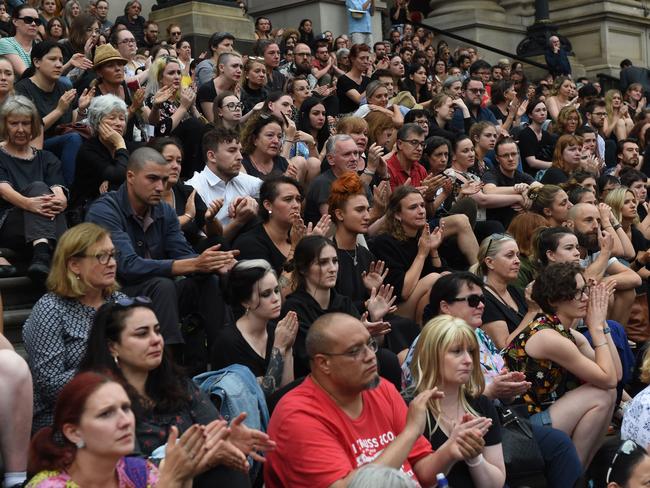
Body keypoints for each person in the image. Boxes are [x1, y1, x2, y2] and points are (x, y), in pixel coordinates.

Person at [79, 299, 271, 487]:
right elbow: (129, 474)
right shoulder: (102, 400)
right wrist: (206, 457)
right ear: (113, 346)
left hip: (196, 478)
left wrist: (229, 439)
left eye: (157, 331)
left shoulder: (178, 384)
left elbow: (215, 435)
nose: (155, 340)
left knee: (229, 464)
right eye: (142, 334)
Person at [265, 312, 470, 487]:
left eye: (370, 344)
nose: (371, 356)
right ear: (323, 363)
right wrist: (410, 432)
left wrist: (450, 450)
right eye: (355, 351)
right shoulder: (298, 416)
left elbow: (423, 474)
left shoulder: (383, 390)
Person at [86, 146, 236, 354]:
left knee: (208, 280)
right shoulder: (105, 210)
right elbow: (127, 266)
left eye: (164, 181)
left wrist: (215, 263)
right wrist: (194, 263)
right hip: (115, 294)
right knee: (162, 285)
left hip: (160, 293)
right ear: (130, 176)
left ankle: (224, 355)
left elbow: (182, 253)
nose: (160, 187)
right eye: (152, 179)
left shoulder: (164, 211)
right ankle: (168, 366)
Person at [504, 262, 619, 467]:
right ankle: (574, 473)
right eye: (575, 293)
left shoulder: (565, 332)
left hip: (543, 414)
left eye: (584, 290)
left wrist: (602, 325)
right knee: (601, 394)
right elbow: (609, 379)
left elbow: (616, 375)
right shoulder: (547, 336)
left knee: (607, 393)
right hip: (523, 426)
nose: (584, 298)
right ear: (553, 300)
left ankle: (580, 470)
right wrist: (596, 329)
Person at [23, 223, 124, 431]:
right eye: (101, 256)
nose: (112, 263)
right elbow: (50, 386)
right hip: (63, 418)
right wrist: (104, 365)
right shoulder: (51, 309)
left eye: (113, 255)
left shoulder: (120, 302)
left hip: (121, 405)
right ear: (74, 265)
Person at [26, 371, 196, 487]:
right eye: (106, 414)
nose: (125, 421)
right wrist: (168, 483)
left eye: (126, 408)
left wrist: (184, 478)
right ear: (74, 432)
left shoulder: (140, 472)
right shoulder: (47, 485)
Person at [408, 315, 506, 487]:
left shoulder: (481, 404)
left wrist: (474, 457)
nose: (468, 360)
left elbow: (496, 484)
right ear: (431, 355)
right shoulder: (411, 406)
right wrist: (451, 448)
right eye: (456, 351)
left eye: (471, 351)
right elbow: (417, 480)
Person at [0, 95, 67, 282]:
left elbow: (59, 193)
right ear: (5, 126)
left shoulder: (47, 158)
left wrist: (59, 201)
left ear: (33, 126)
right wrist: (29, 204)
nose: (20, 129)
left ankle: (43, 256)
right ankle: (51, 258)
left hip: (43, 221)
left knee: (48, 196)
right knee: (38, 187)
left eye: (26, 123)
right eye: (14, 124)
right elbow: (4, 190)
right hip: (9, 225)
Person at [215, 259, 298, 395]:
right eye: (266, 294)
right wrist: (280, 348)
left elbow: (287, 392)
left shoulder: (276, 331)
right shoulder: (228, 342)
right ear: (245, 301)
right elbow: (262, 399)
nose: (276, 298)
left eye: (276, 290)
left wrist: (288, 348)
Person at [15, 40, 93, 185]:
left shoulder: (62, 87)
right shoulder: (22, 89)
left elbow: (69, 124)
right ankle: (66, 191)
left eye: (61, 60)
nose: (58, 64)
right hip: (33, 144)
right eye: (52, 59)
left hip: (61, 141)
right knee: (74, 139)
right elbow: (27, 131)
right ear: (37, 62)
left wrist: (81, 109)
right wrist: (58, 110)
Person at [369, 186, 442, 324]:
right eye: (413, 207)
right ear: (397, 214)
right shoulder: (384, 242)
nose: (421, 211)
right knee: (434, 279)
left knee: (445, 278)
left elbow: (439, 274)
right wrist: (421, 254)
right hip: (391, 310)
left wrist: (433, 250)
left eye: (422, 205)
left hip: (418, 302)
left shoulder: (420, 238)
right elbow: (403, 292)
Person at [186, 128, 261, 241]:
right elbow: (209, 243)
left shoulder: (241, 179)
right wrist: (239, 221)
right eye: (232, 150)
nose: (240, 157)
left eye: (240, 151)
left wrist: (250, 201)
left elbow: (274, 194)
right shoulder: (194, 188)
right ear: (212, 156)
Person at [151, 137, 222, 252]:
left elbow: (217, 235)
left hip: (190, 251)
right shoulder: (145, 193)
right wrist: (187, 216)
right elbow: (154, 230)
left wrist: (210, 219)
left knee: (218, 244)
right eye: (169, 160)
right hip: (161, 254)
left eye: (179, 161)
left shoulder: (187, 192)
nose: (175, 166)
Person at [471, 233, 541, 349]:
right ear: (489, 262)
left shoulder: (516, 291)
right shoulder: (483, 298)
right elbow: (504, 347)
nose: (517, 261)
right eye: (510, 256)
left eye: (517, 255)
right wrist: (532, 311)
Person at [69, 94, 129, 219]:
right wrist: (119, 143)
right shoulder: (88, 150)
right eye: (112, 118)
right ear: (97, 122)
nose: (118, 123)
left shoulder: (128, 147)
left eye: (122, 119)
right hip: (87, 210)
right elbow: (118, 175)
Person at [234, 175, 306, 276]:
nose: (296, 205)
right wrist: (295, 248)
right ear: (268, 205)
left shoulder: (299, 237)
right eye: (288, 199)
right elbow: (278, 290)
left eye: (298, 199)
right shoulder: (250, 244)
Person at [144, 55, 204, 176]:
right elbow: (160, 131)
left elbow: (203, 127)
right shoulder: (153, 99)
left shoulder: (180, 98)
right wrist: (183, 108)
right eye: (171, 73)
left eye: (178, 72)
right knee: (192, 125)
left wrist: (192, 106)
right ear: (160, 78)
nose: (177, 76)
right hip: (163, 146)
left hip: (186, 147)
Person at [482, 137, 538, 228]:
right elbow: (489, 191)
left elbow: (542, 189)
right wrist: (520, 191)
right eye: (505, 155)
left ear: (519, 155)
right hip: (500, 229)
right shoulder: (491, 174)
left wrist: (529, 192)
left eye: (514, 154)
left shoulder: (522, 176)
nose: (511, 159)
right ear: (497, 158)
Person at [197, 51, 242, 123]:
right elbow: (214, 122)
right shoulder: (207, 89)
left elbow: (238, 121)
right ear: (221, 68)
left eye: (241, 67)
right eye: (234, 66)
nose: (239, 70)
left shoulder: (237, 90)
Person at [0, 5, 39, 77]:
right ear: (15, 21)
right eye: (28, 20)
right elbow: (24, 73)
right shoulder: (5, 43)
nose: (33, 24)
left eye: (37, 21)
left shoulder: (39, 45)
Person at [518, 98, 553, 176]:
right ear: (530, 115)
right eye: (538, 110)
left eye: (544, 110)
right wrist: (555, 165)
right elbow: (532, 163)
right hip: (530, 175)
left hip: (545, 172)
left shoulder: (546, 135)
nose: (542, 113)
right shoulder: (525, 134)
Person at [336, 43, 370, 115]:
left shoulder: (367, 80)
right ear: (352, 59)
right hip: (348, 118)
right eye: (362, 58)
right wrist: (375, 77)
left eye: (367, 58)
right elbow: (360, 100)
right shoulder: (343, 80)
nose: (366, 61)